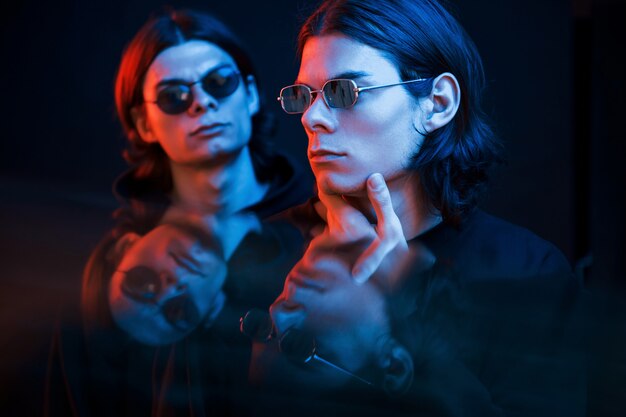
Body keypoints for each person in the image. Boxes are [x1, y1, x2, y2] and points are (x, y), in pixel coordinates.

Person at [249, 0, 585, 415]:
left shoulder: (526, 274)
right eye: (304, 95)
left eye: (343, 91)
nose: (312, 117)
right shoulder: (261, 252)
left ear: (438, 103)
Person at [47, 8, 309, 416]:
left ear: (252, 94)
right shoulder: (106, 269)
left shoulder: (320, 235)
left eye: (220, 83)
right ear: (143, 122)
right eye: (174, 96)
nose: (202, 103)